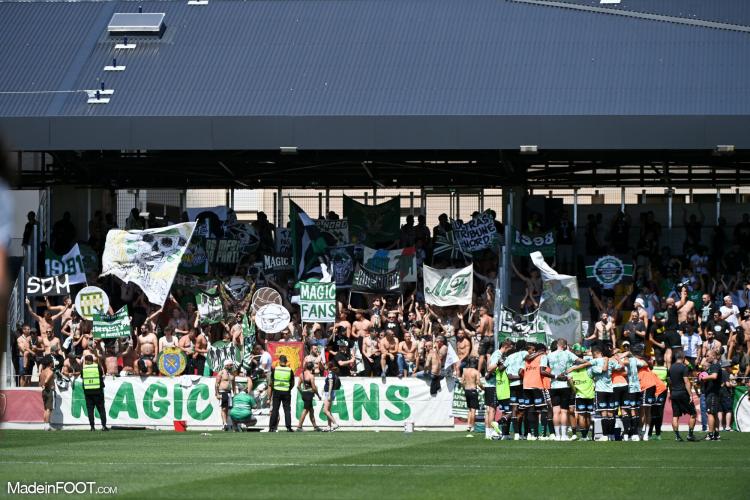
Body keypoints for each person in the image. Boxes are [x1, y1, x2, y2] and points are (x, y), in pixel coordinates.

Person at [546, 338, 579, 441]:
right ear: (564, 345)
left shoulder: (549, 355)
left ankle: (557, 435)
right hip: (565, 385)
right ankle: (564, 435)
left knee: (556, 412)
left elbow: (546, 368)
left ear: (557, 345)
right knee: (564, 411)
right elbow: (579, 360)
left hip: (554, 385)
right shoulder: (568, 353)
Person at [668, 352, 697, 441]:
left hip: (674, 393)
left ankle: (677, 436)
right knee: (693, 413)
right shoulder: (684, 368)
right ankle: (690, 435)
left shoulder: (671, 368)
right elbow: (686, 382)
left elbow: (669, 381)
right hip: (683, 393)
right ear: (683, 358)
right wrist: (690, 394)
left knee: (675, 416)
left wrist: (671, 392)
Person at [699, 350, 722, 441]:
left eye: (707, 355)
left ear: (713, 356)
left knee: (710, 413)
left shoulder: (715, 365)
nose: (706, 357)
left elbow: (714, 376)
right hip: (711, 393)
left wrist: (703, 377)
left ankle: (710, 434)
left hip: (713, 393)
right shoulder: (712, 365)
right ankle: (716, 433)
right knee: (714, 413)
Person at [81, 354, 108, 431]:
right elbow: (101, 374)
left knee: (90, 410)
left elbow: (82, 377)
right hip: (98, 391)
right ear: (92, 360)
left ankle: (92, 427)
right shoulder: (97, 366)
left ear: (86, 361)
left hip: (88, 392)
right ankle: (103, 426)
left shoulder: (84, 368)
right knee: (101, 409)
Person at [269, 355, 295, 432]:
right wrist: (288, 389)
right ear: (286, 361)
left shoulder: (275, 369)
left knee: (275, 410)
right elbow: (293, 383)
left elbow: (271, 382)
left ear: (279, 361)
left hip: (276, 391)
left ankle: (271, 428)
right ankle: (288, 427)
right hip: (286, 391)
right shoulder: (290, 370)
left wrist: (274, 388)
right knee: (287, 410)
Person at [296, 362, 322, 431]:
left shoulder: (302, 375)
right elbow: (314, 388)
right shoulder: (311, 376)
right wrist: (318, 395)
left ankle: (315, 427)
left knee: (311, 411)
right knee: (305, 410)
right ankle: (299, 426)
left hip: (304, 393)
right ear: (312, 368)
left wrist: (302, 393)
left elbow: (298, 386)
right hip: (309, 394)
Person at [461, 357, 481, 436]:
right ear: (475, 363)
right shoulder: (476, 372)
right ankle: (472, 426)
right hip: (473, 390)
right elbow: (478, 382)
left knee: (469, 409)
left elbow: (462, 381)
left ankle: (468, 426)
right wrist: (483, 388)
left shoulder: (465, 371)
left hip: (466, 390)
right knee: (473, 410)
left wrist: (465, 387)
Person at [216, 360, 237, 431]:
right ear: (226, 365)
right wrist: (217, 393)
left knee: (228, 409)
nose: (231, 366)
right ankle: (225, 423)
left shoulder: (232, 373)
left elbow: (234, 384)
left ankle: (225, 424)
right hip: (222, 392)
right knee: (224, 408)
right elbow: (217, 384)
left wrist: (234, 393)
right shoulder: (221, 372)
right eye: (230, 365)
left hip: (229, 392)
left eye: (232, 365)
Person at [322, 360, 341, 432]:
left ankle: (335, 423)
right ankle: (328, 426)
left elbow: (330, 384)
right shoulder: (331, 373)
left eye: (325, 365)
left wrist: (329, 394)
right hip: (328, 392)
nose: (324, 366)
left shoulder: (330, 374)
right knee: (328, 410)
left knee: (325, 410)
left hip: (329, 393)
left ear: (328, 366)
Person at [38, 356, 55, 431]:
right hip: (48, 390)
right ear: (50, 363)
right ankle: (47, 426)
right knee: (48, 409)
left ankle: (45, 425)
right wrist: (46, 385)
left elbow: (40, 382)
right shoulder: (50, 371)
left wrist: (43, 386)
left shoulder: (42, 371)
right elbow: (46, 380)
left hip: (44, 391)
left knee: (45, 409)